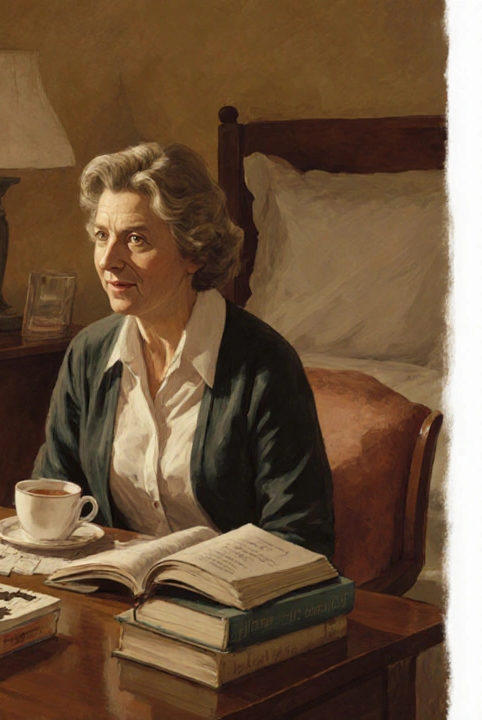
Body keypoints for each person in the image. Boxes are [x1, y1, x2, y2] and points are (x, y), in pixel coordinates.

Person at [30, 142, 334, 556]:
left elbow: (299, 535)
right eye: (102, 236)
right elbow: (55, 494)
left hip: (230, 604)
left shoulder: (264, 366)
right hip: (115, 592)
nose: (108, 260)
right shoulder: (90, 353)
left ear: (194, 251)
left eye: (135, 239)